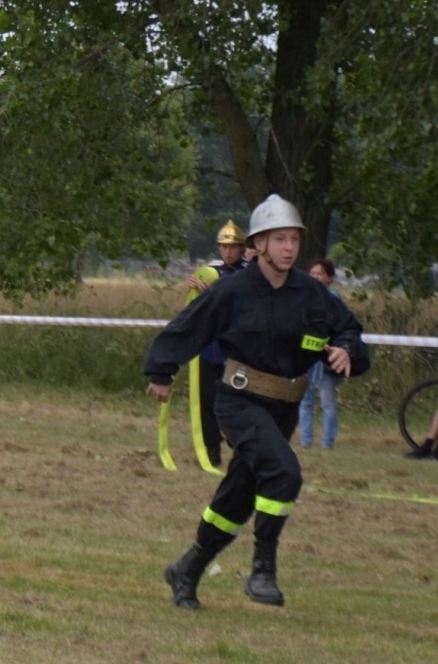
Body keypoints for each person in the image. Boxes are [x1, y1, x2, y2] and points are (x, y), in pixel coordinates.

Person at [144, 195, 369, 609]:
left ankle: (187, 570)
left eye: (294, 240)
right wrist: (161, 371)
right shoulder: (233, 290)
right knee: (284, 473)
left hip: (283, 410)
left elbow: (349, 332)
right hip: (238, 402)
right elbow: (188, 327)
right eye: (279, 239)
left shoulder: (313, 294)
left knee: (239, 496)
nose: (288, 247)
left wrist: (346, 351)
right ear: (259, 244)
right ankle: (263, 570)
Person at [187, 220, 248, 465]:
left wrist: (213, 294)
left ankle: (240, 448)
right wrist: (196, 292)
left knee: (235, 403)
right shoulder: (211, 272)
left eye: (233, 246)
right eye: (224, 246)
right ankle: (211, 453)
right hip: (209, 349)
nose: (228, 251)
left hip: (235, 351)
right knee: (206, 402)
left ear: (241, 248)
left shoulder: (248, 275)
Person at [298, 259, 343, 448]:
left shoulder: (334, 299)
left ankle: (327, 442)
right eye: (313, 273)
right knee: (305, 401)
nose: (316, 277)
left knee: (328, 403)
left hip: (326, 361)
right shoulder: (302, 299)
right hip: (307, 359)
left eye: (320, 273)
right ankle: (306, 441)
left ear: (329, 278)